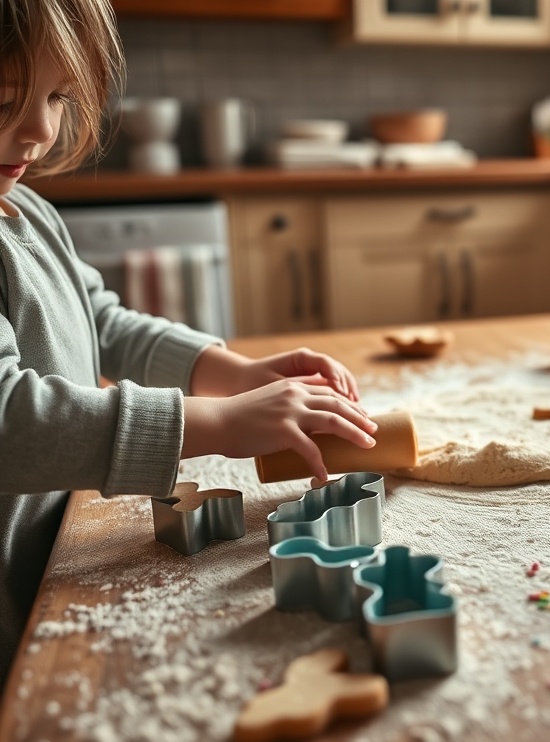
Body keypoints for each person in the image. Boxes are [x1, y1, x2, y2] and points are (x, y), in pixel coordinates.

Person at [0, 0, 378, 694]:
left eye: (57, 96)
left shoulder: (25, 211)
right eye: (4, 99)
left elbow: (102, 322)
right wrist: (218, 426)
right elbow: (11, 423)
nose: (41, 129)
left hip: (58, 556)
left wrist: (230, 372)